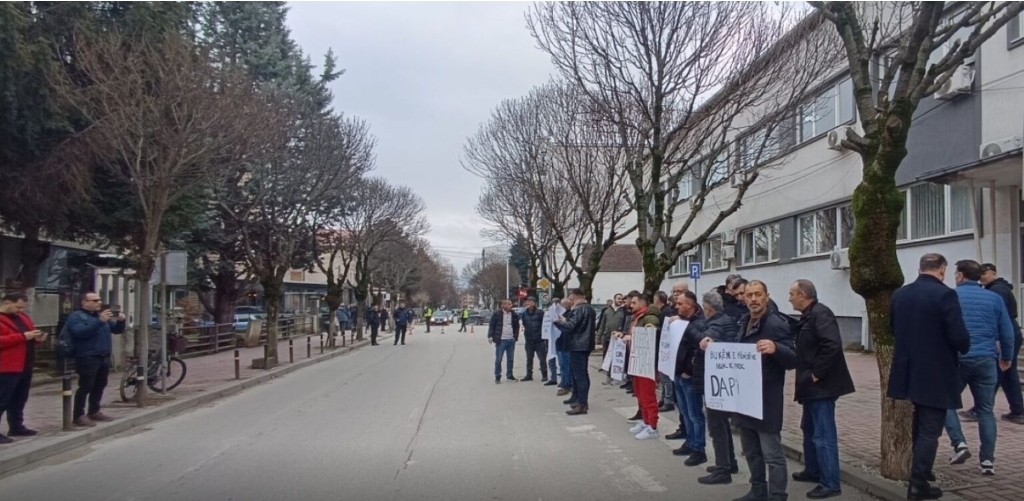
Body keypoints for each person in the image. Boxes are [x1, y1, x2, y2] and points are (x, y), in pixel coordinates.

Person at [889, 253, 970, 500]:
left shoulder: (900, 294)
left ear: (920, 268)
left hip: (907, 369)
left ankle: (919, 472)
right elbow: (958, 336)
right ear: (942, 270)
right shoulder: (945, 295)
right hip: (935, 371)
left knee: (919, 424)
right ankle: (919, 482)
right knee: (930, 429)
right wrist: (964, 345)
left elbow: (893, 329)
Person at [715, 280, 797, 501]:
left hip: (766, 400)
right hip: (745, 399)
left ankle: (777, 495)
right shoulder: (744, 321)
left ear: (766, 297)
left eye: (757, 294)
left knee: (772, 454)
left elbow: (793, 359)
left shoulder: (775, 324)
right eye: (749, 295)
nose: (753, 299)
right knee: (751, 451)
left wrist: (776, 348)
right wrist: (712, 344)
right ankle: (758, 491)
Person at [942, 260, 1014, 476]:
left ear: (961, 275)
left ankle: (959, 443)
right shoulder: (994, 298)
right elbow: (1006, 331)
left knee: (945, 402)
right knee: (986, 411)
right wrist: (1006, 357)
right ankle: (987, 461)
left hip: (957, 359)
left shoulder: (951, 296)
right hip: (986, 359)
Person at [788, 280, 856, 499]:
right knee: (809, 428)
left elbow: (832, 345)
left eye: (792, 294)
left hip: (821, 386)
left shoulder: (821, 314)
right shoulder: (809, 315)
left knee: (823, 434)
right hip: (811, 385)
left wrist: (817, 373)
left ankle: (830, 483)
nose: (789, 298)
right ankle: (813, 470)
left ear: (802, 295)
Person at [961, 263, 1024, 425]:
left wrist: (998, 341)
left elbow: (997, 317)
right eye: (980, 273)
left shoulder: (997, 290)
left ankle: (980, 408)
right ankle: (1018, 410)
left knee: (997, 372)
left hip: (1004, 334)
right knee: (1008, 374)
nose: (982, 276)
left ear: (994, 273)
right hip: (1009, 333)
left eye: (985, 273)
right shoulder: (996, 289)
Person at [697, 291, 741, 486]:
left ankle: (723, 469)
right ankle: (729, 462)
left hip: (718, 381)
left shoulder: (716, 323)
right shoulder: (726, 319)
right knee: (722, 424)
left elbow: (708, 340)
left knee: (716, 426)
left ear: (708, 308)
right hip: (723, 379)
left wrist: (705, 340)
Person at [67, 293, 126, 427]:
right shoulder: (76, 316)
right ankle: (78, 415)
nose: (98, 302)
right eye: (94, 300)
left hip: (103, 355)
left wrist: (121, 321)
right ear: (84, 302)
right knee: (86, 386)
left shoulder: (101, 316)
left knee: (100, 385)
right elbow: (80, 332)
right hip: (87, 355)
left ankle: (94, 410)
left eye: (99, 300)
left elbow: (116, 330)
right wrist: (100, 321)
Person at [0, 293, 47, 442]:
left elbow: (29, 336)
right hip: (6, 366)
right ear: (7, 303)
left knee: (20, 398)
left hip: (25, 364)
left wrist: (37, 339)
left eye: (23, 308)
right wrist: (23, 336)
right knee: (3, 399)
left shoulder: (23, 317)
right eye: (18, 307)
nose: (20, 311)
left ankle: (16, 426)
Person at [618, 291, 662, 440]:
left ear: (642, 303)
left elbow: (651, 332)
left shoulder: (649, 317)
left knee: (648, 395)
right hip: (637, 360)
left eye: (634, 302)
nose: (631, 305)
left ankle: (653, 426)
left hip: (646, 362)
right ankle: (645, 421)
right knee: (640, 394)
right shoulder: (637, 317)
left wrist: (640, 334)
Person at [672, 290, 708, 465]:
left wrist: (689, 370)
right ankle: (690, 441)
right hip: (678, 372)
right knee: (685, 411)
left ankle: (699, 449)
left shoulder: (699, 323)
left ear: (690, 305)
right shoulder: (681, 321)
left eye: (680, 304)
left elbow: (697, 350)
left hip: (689, 375)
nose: (676, 306)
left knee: (695, 413)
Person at [554, 289, 596, 415]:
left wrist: (557, 322)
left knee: (580, 375)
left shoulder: (578, 309)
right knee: (578, 373)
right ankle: (576, 398)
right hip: (584, 344)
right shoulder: (590, 309)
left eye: (571, 298)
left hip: (577, 345)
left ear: (575, 297)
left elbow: (570, 326)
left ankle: (582, 404)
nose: (570, 301)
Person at [488, 299, 520, 384]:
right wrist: (490, 336)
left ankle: (510, 375)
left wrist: (515, 337)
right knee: (499, 359)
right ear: (503, 305)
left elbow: (517, 326)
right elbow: (492, 325)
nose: (511, 305)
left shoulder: (514, 314)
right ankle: (497, 376)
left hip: (511, 340)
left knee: (510, 359)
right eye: (509, 304)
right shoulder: (497, 314)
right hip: (501, 340)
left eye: (511, 304)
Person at [520, 297, 547, 382]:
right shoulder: (524, 313)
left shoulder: (540, 313)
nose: (528, 303)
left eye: (530, 301)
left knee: (542, 358)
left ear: (534, 303)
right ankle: (529, 375)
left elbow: (544, 324)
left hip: (539, 340)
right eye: (527, 301)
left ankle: (544, 374)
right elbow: (524, 324)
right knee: (529, 358)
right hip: (529, 340)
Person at [555, 298, 574, 397]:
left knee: (565, 365)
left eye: (564, 304)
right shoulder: (561, 314)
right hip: (560, 342)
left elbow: (568, 327)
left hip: (566, 343)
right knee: (563, 365)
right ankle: (565, 382)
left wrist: (561, 321)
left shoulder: (570, 314)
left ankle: (566, 384)